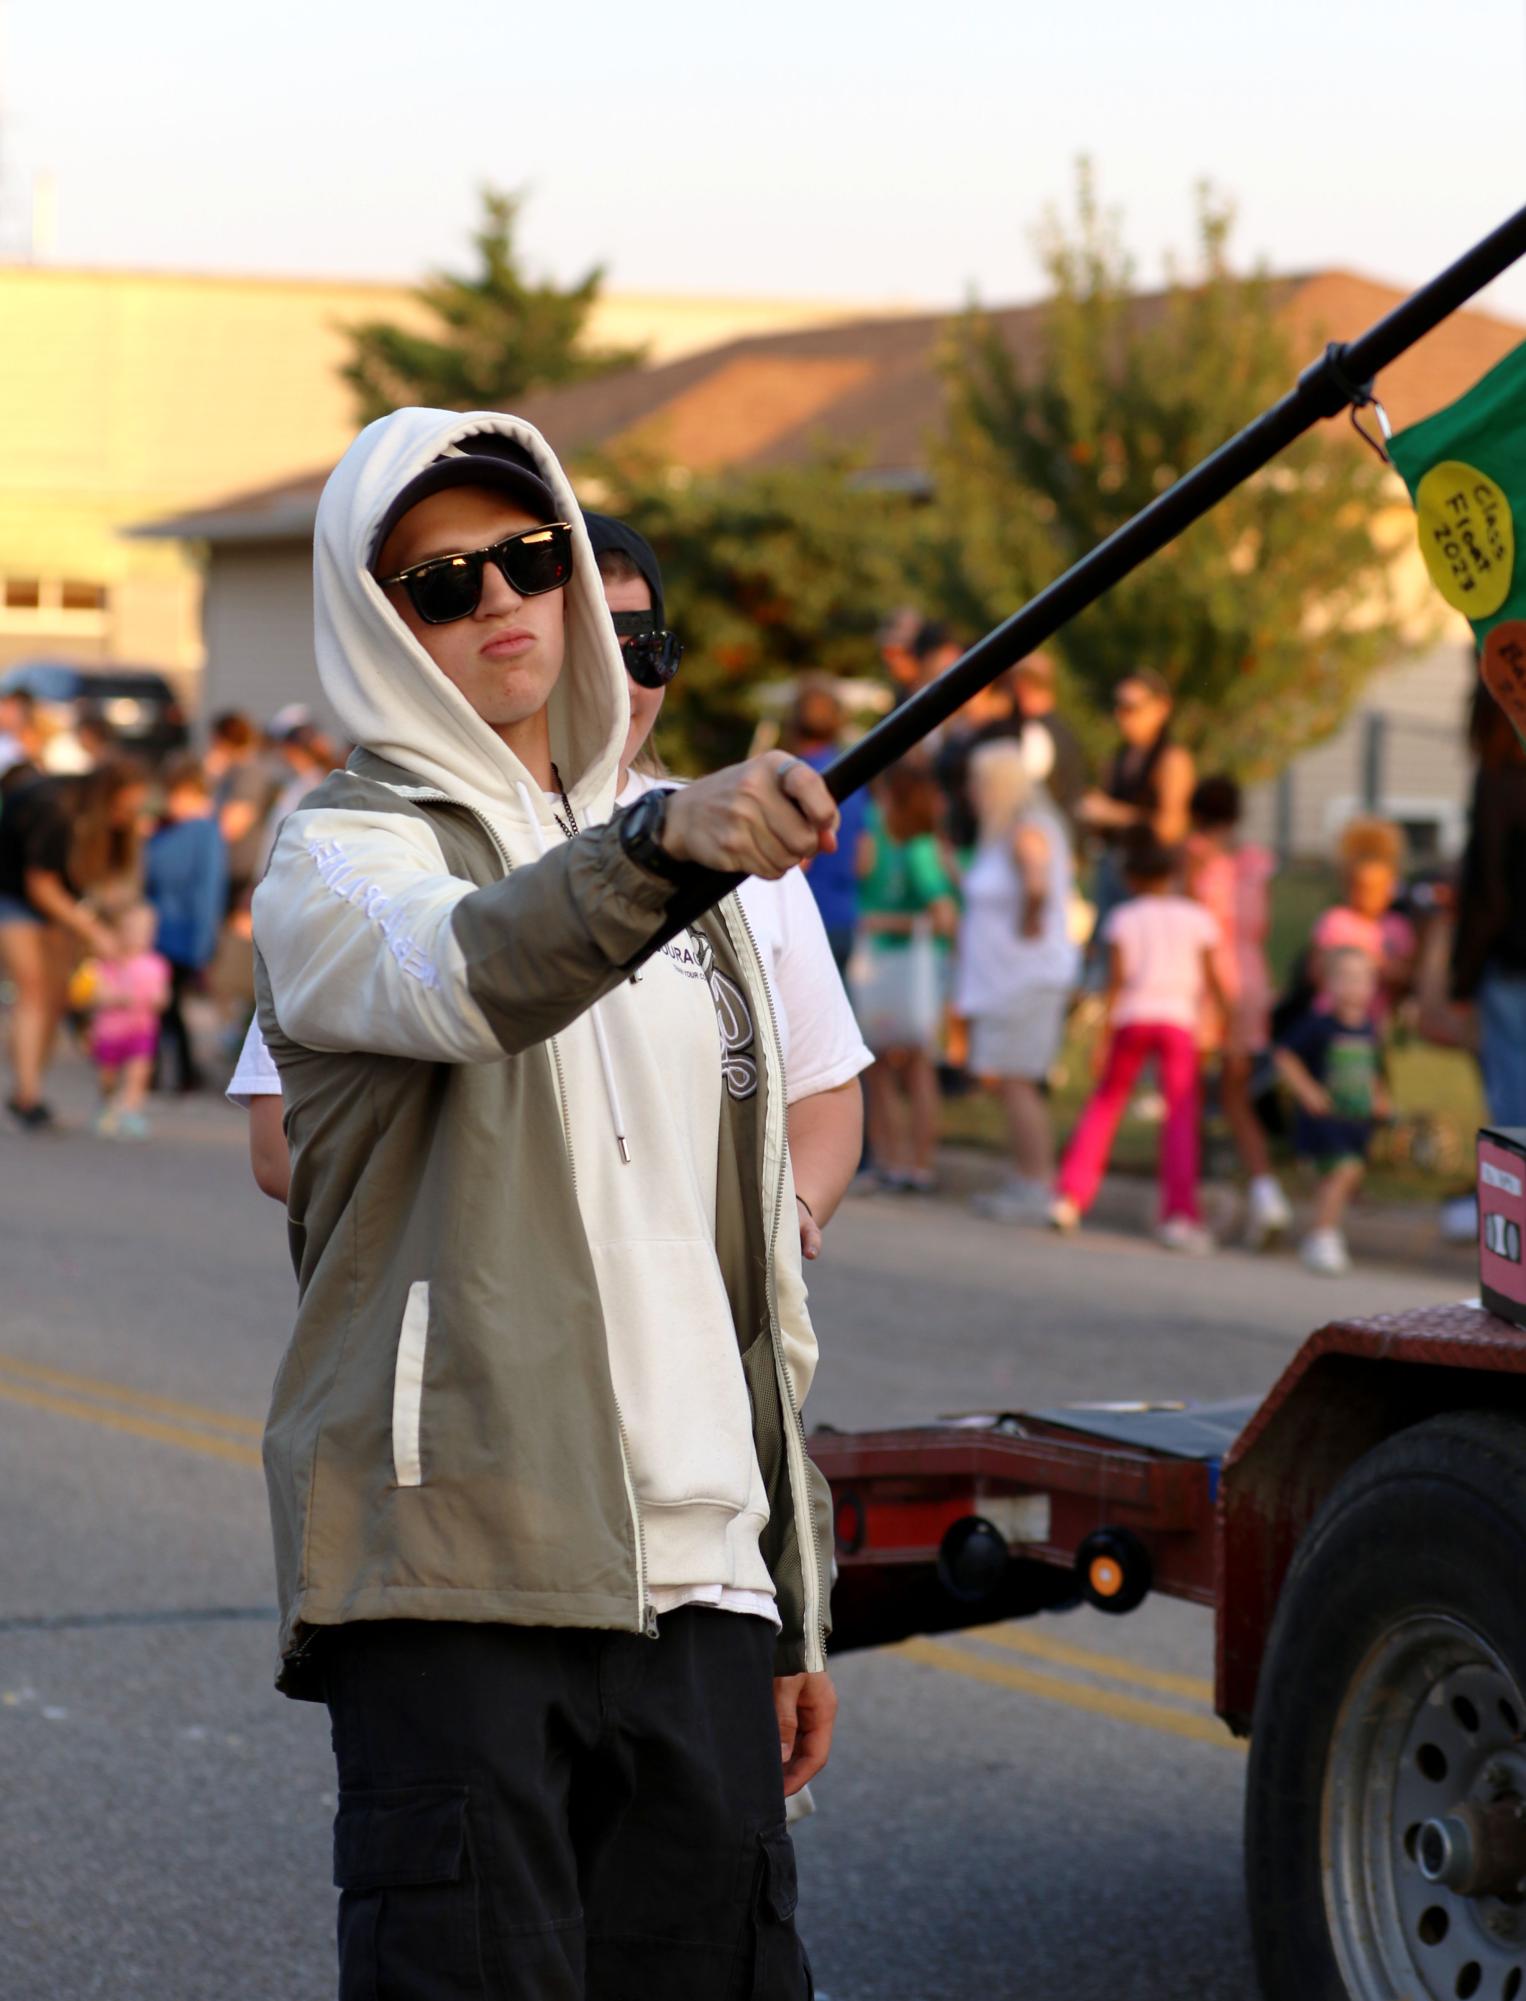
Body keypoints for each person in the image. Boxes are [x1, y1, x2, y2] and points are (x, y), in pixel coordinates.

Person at [249, 411, 840, 2000]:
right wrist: (663, 840)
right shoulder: (336, 855)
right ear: (378, 622)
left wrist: (788, 1593)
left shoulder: (690, 886)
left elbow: (750, 1265)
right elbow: (466, 968)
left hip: (702, 1574)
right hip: (462, 1565)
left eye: (529, 560)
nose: (501, 602)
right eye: (440, 584)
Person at [231, 514, 871, 1269]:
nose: (627, 682)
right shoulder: (390, 846)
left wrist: (786, 1215)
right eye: (600, 639)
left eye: (648, 647)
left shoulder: (737, 841)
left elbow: (825, 1086)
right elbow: (281, 1140)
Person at [1052, 827, 1224, 1252]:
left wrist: (1103, 1038)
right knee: (1180, 1116)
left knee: (1106, 1104)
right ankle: (1180, 1214)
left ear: (1130, 878)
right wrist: (1220, 1021)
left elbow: (1118, 983)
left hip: (1133, 1016)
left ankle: (1071, 1195)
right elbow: (1211, 980)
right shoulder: (1195, 917)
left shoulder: (1124, 918)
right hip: (1178, 1020)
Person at [956, 739, 1078, 1224]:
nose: (971, 791)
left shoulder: (1025, 829)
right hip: (1007, 980)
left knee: (1017, 1081)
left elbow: (1036, 881)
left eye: (978, 782)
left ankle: (1036, 1183)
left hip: (1023, 979)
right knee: (1010, 1080)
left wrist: (1031, 915)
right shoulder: (1010, 830)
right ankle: (1028, 1176)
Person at [0, 758, 147, 1128]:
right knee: (32, 988)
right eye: (124, 808)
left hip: (55, 897)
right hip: (12, 892)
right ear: (106, 799)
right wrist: (93, 931)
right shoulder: (55, 808)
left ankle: (28, 1086)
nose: (127, 817)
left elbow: (108, 882)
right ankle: (28, 1095)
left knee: (55, 995)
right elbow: (40, 885)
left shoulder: (112, 821)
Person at [1186, 775, 1292, 1248]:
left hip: (1207, 978)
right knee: (1236, 1094)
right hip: (1250, 975)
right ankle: (1266, 1192)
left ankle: (1187, 1197)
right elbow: (1262, 923)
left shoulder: (1196, 858)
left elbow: (1190, 919)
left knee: (1186, 1091)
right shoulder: (1253, 864)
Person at [853, 758, 958, 1192]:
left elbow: (945, 917)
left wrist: (887, 923)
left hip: (903, 965)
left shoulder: (916, 850)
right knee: (889, 1066)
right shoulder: (892, 840)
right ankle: (899, 1161)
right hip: (887, 967)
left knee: (907, 1065)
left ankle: (911, 1162)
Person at [1274, 947, 1389, 1276]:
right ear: (1329, 984)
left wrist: (1380, 1098)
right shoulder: (1318, 1026)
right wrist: (1308, 1090)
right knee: (1344, 1171)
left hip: (1355, 1122)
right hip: (1323, 1123)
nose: (1355, 987)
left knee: (1339, 1178)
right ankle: (1322, 1236)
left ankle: (1324, 1232)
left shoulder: (1369, 1029)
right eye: (1347, 979)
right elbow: (1286, 1057)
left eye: (1363, 979)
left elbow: (1374, 1070)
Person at [1077, 669, 1196, 960]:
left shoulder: (1172, 759)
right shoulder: (1119, 758)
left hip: (1151, 883)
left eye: (1133, 708)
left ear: (1161, 708)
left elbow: (1170, 827)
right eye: (1119, 707)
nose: (1124, 717)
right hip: (1116, 871)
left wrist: (1112, 814)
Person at [145, 756, 228, 1092]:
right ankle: (170, 1071)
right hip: (158, 931)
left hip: (182, 933)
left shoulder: (204, 831)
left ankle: (178, 1071)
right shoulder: (166, 829)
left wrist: (203, 944)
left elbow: (209, 890)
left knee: (169, 1007)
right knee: (162, 1006)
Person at [786, 679, 869, 975]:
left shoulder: (789, 778)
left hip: (801, 922)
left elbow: (795, 864)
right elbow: (864, 861)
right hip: (844, 917)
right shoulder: (854, 779)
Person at [70, 902, 171, 1138]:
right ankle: (107, 1104)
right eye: (132, 930)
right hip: (109, 1032)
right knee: (108, 1076)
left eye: (145, 930)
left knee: (140, 1071)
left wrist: (159, 1000)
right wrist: (112, 997)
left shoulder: (156, 964)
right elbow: (91, 995)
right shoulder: (105, 964)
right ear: (117, 932)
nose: (139, 936)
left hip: (142, 1030)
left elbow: (163, 995)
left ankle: (131, 1111)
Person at [1309, 817, 1416, 1017]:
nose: (1370, 897)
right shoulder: (1336, 921)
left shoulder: (1397, 927)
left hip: (1373, 1019)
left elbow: (1405, 973)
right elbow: (1316, 970)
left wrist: (1382, 968)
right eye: (1363, 889)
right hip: (1332, 1017)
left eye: (1378, 889)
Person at [1013, 652, 1088, 828]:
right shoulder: (1065, 730)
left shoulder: (1034, 732)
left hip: (1050, 837)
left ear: (1022, 687)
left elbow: (1026, 793)